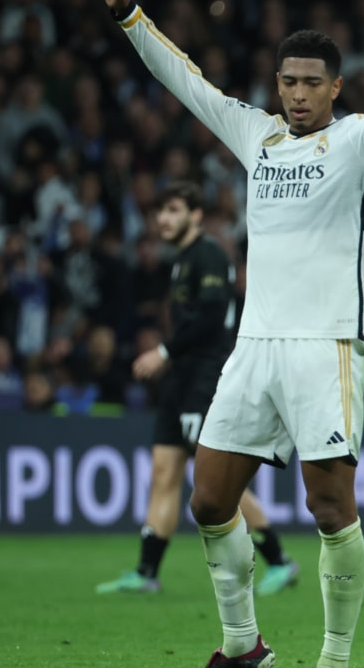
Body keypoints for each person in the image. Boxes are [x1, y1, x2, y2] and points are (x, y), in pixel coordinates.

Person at [103, 0, 364, 666]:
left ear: (336, 87)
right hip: (253, 347)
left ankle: (336, 658)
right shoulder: (258, 135)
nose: (300, 94)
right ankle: (242, 645)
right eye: (289, 82)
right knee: (208, 497)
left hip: (327, 343)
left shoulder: (360, 137)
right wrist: (132, 17)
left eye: (313, 82)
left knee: (331, 505)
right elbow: (186, 81)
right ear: (275, 84)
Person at [95, 182, 299, 598]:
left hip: (204, 378)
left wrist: (164, 351)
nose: (163, 219)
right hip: (181, 379)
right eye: (161, 211)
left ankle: (279, 559)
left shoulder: (207, 254)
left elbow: (210, 317)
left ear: (196, 215)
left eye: (173, 210)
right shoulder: (183, 259)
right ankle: (146, 571)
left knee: (216, 482)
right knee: (164, 471)